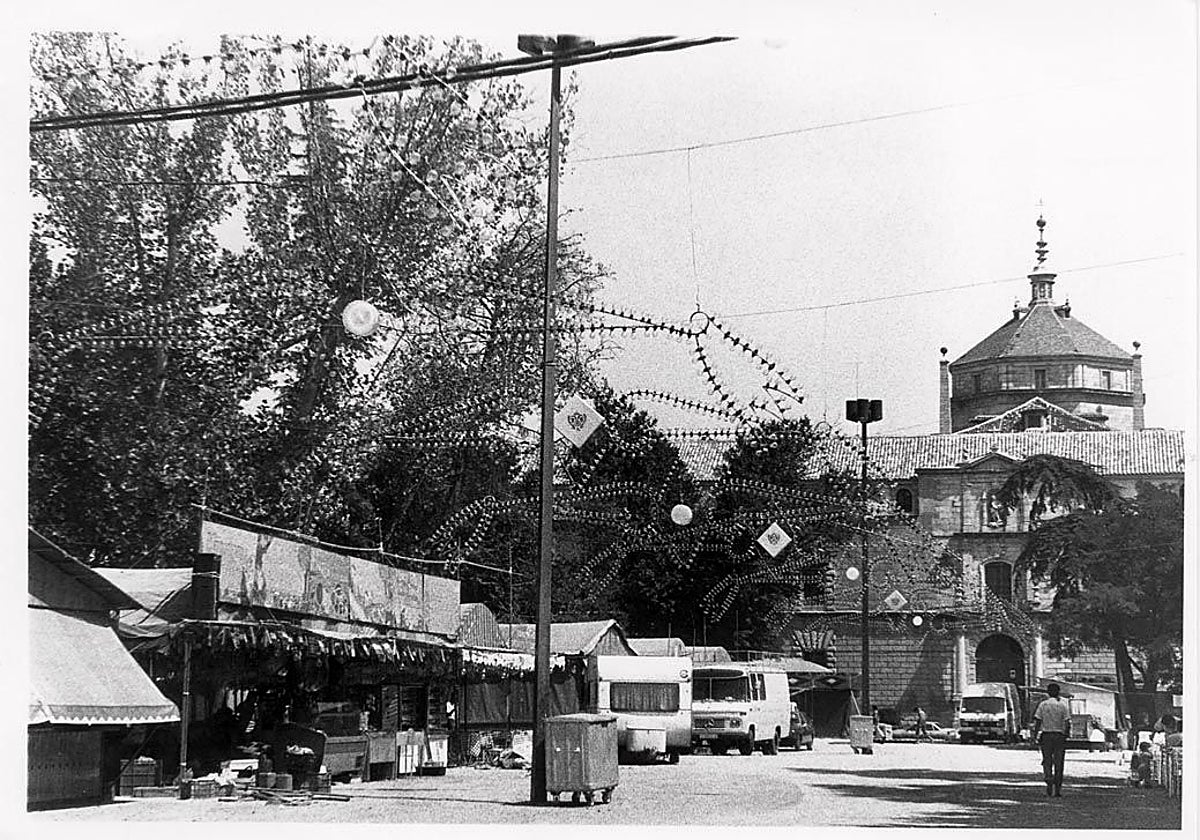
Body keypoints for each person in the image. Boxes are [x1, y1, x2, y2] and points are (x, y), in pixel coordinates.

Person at [1031, 682, 1071, 797]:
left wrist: (1034, 736)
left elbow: (1038, 721)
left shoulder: (1043, 705)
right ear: (1058, 692)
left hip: (1046, 736)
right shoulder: (1063, 706)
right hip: (1059, 736)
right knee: (1059, 762)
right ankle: (1057, 789)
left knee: (1047, 759)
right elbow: (1067, 722)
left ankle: (1048, 778)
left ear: (1048, 692)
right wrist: (1066, 734)